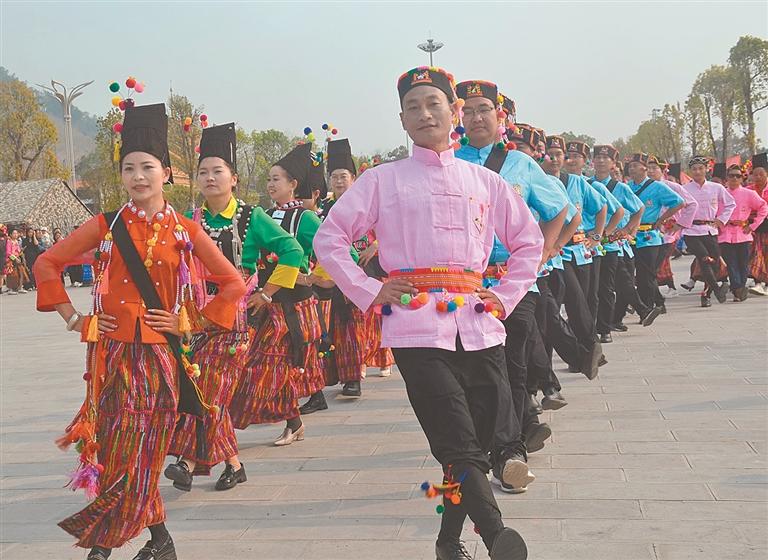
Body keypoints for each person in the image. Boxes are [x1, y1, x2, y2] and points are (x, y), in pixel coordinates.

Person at [314, 65, 541, 560]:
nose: (423, 114)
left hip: (480, 324)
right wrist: (371, 289)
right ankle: (498, 534)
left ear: (454, 112)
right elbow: (329, 239)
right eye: (412, 107)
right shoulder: (382, 181)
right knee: (456, 438)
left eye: (432, 104)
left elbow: (529, 242)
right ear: (401, 120)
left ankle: (446, 540)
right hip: (416, 327)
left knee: (474, 443)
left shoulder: (484, 181)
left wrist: (505, 295)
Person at [33, 102, 246, 560]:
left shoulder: (186, 229)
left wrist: (190, 321)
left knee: (143, 450)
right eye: (129, 168)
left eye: (147, 167)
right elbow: (46, 263)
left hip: (158, 359)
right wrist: (76, 319)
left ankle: (104, 545)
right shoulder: (104, 225)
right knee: (117, 450)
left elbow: (233, 283)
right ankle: (160, 542)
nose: (137, 176)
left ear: (166, 172)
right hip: (110, 359)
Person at [165, 122, 303, 492]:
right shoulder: (191, 220)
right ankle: (233, 464)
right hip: (196, 318)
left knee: (208, 387)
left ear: (234, 178)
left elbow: (294, 251)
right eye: (203, 172)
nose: (210, 178)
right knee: (208, 390)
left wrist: (269, 292)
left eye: (218, 171)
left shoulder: (250, 217)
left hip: (236, 318)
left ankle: (187, 460)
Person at [455, 80, 570, 492]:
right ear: (457, 117)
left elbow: (561, 211)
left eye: (483, 108)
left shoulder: (521, 165)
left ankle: (511, 448)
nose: (475, 117)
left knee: (513, 364)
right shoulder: (450, 161)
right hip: (463, 285)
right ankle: (497, 443)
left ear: (500, 116)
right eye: (466, 111)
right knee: (476, 367)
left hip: (512, 282)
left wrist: (543, 252)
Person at [229, 142, 326, 446]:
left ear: (293, 185)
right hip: (268, 305)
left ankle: (288, 422)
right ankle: (293, 422)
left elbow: (338, 250)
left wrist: (313, 277)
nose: (270, 185)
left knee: (275, 366)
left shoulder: (306, 219)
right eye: (268, 179)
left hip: (295, 307)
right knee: (267, 365)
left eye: (276, 179)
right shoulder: (263, 216)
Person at [541, 135, 606, 378]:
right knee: (552, 312)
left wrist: (597, 236)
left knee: (581, 301)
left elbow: (601, 209)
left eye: (560, 154)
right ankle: (555, 367)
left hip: (573, 251)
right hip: (551, 256)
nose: (556, 159)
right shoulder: (539, 180)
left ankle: (588, 349)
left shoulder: (576, 182)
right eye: (550, 154)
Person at [590, 144, 646, 343]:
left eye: (606, 159)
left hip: (611, 245)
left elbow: (638, 209)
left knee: (605, 288)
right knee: (589, 289)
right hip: (590, 245)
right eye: (598, 158)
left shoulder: (619, 188)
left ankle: (605, 328)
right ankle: (589, 327)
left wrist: (627, 230)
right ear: (592, 162)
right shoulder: (586, 184)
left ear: (614, 164)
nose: (601, 161)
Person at [623, 153, 685, 312]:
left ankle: (648, 307)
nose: (632, 169)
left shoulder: (657, 187)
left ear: (645, 168)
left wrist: (662, 219)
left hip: (649, 237)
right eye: (630, 166)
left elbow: (679, 203)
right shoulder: (626, 187)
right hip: (630, 236)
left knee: (646, 274)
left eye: (635, 165)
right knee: (635, 275)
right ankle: (658, 302)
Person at [680, 155, 736, 307]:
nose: (697, 172)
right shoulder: (684, 189)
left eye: (700, 168)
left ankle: (708, 293)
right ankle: (717, 290)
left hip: (710, 230)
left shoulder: (716, 187)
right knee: (704, 259)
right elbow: (675, 206)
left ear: (706, 170)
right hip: (691, 231)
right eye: (694, 169)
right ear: (690, 171)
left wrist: (721, 219)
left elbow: (731, 204)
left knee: (714, 263)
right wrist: (679, 222)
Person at [647, 156, 697, 305]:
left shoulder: (672, 186)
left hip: (667, 235)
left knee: (653, 267)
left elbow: (692, 204)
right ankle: (653, 299)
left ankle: (652, 300)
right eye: (648, 168)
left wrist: (680, 224)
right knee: (649, 268)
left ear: (663, 171)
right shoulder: (644, 186)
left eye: (654, 168)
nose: (650, 171)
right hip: (647, 234)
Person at [718, 163, 768, 301]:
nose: (734, 178)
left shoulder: (749, 194)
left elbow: (763, 207)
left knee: (743, 264)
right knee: (731, 263)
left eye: (737, 176)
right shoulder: (720, 193)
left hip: (743, 233)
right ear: (726, 178)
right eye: (731, 176)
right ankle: (738, 290)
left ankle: (739, 288)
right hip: (725, 234)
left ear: (742, 178)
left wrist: (753, 225)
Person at [747, 153, 768, 295]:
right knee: (756, 252)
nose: (758, 177)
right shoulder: (748, 190)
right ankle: (758, 282)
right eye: (755, 174)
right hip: (754, 226)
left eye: (761, 174)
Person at [4, 228, 28, 294]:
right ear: (11, 234)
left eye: (16, 233)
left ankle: (20, 287)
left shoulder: (17, 242)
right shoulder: (9, 242)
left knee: (21, 272)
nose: (15, 235)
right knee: (12, 275)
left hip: (17, 258)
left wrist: (21, 252)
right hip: (11, 260)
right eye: (14, 233)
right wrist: (15, 258)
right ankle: (11, 289)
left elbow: (18, 250)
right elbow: (8, 253)